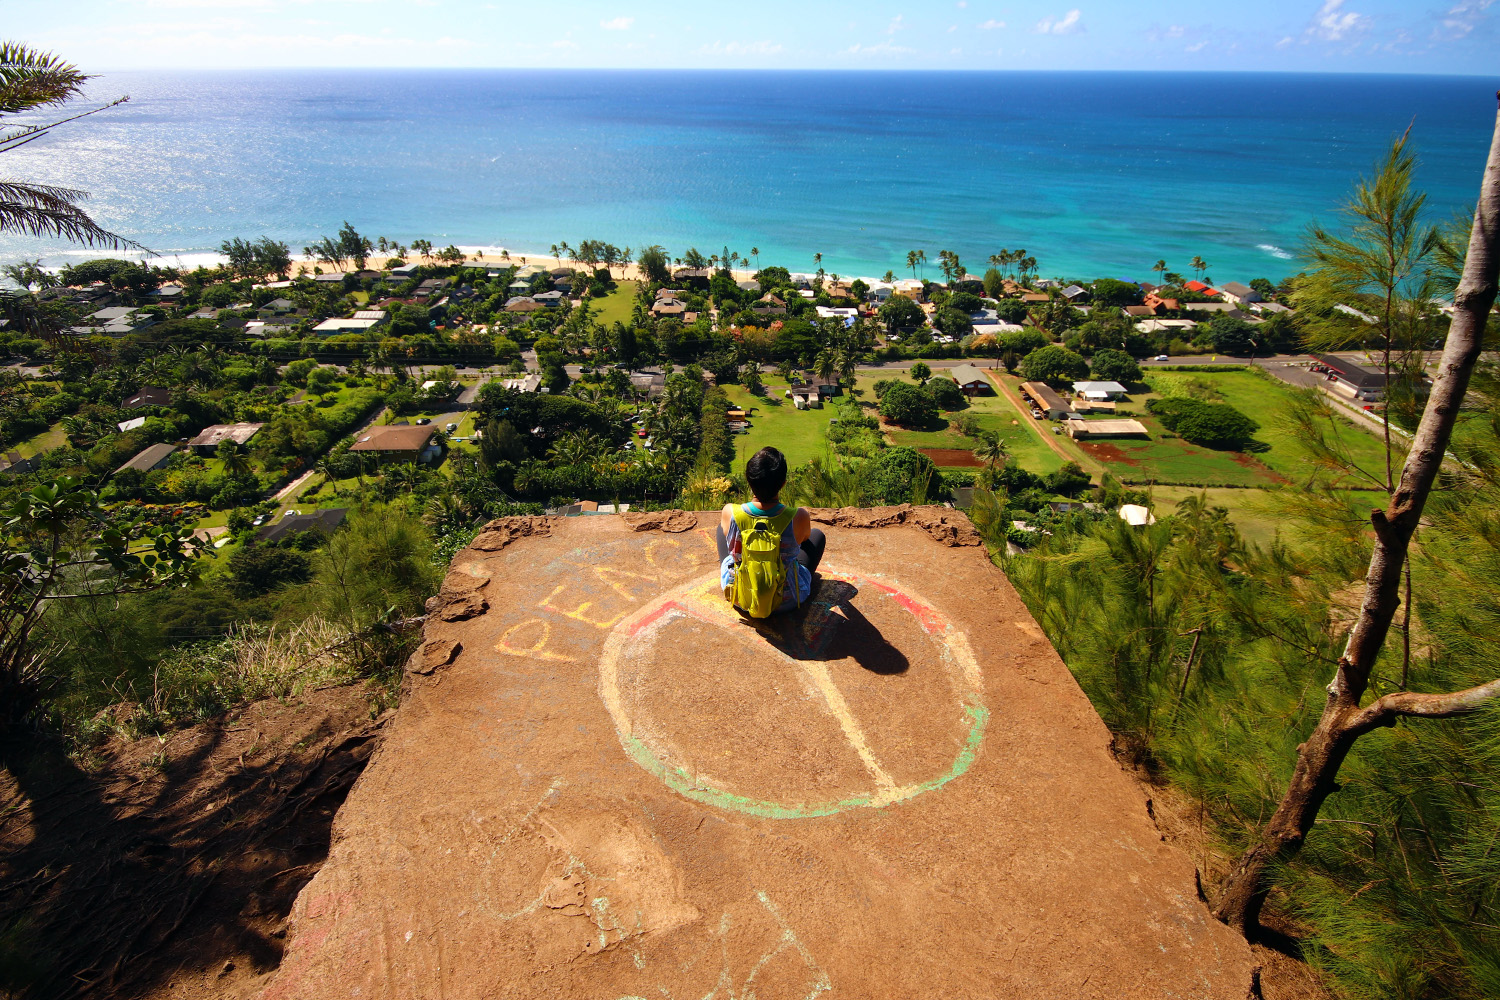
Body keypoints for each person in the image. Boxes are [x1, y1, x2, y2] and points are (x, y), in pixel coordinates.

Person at [717, 446, 826, 617]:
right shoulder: (798, 516)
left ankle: (735, 575)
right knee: (817, 536)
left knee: (722, 529)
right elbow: (805, 539)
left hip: (741, 596)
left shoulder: (730, 512)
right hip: (786, 600)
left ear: (749, 480)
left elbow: (727, 534)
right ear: (782, 483)